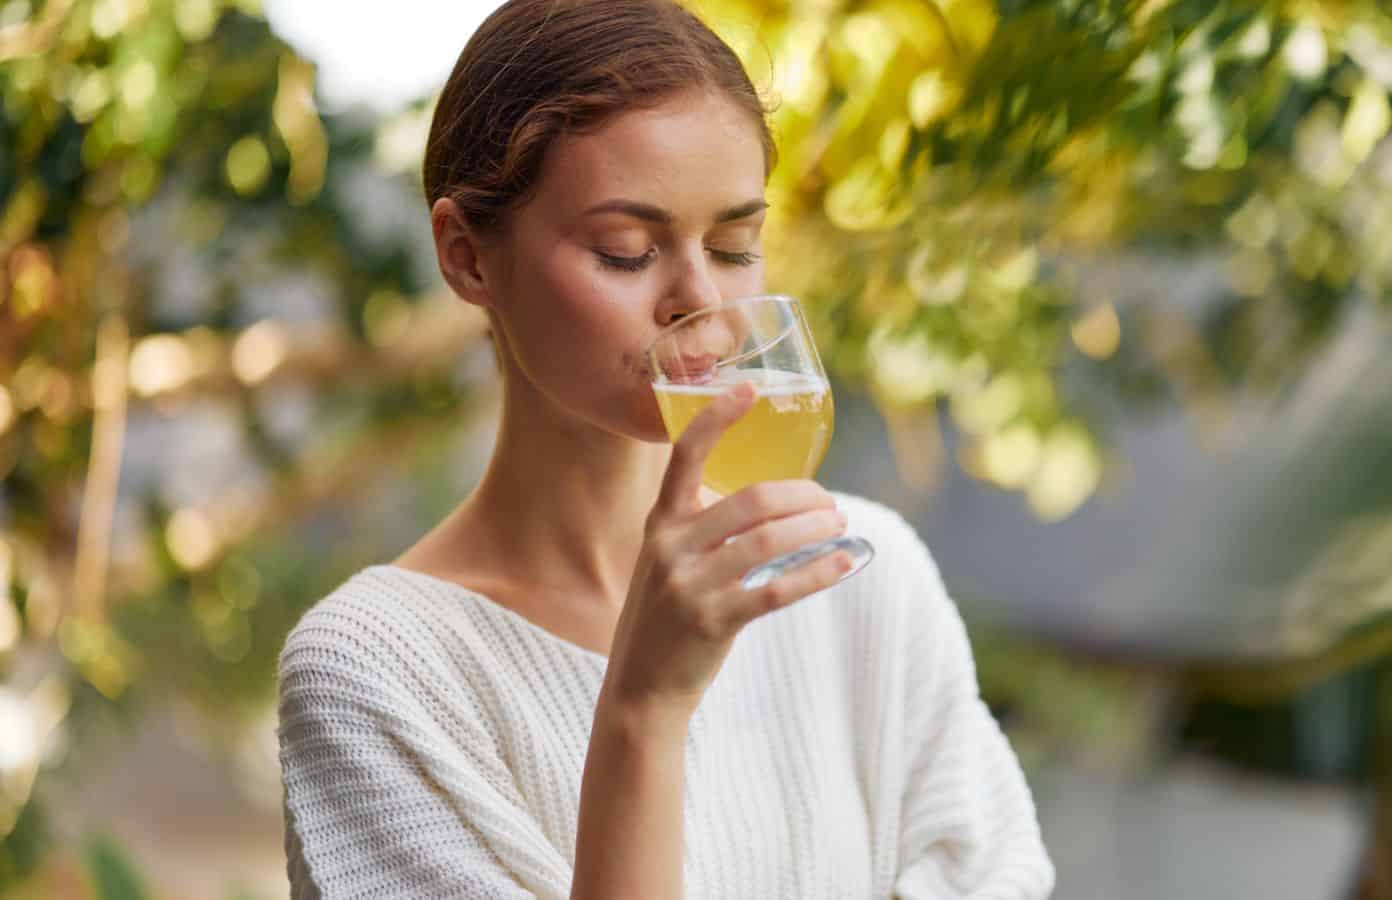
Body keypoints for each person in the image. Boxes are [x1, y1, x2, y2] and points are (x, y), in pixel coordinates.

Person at [275, 1, 1055, 897]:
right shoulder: (376, 670)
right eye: (625, 251)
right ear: (468, 257)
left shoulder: (862, 580)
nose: (698, 299)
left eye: (734, 246)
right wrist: (644, 711)